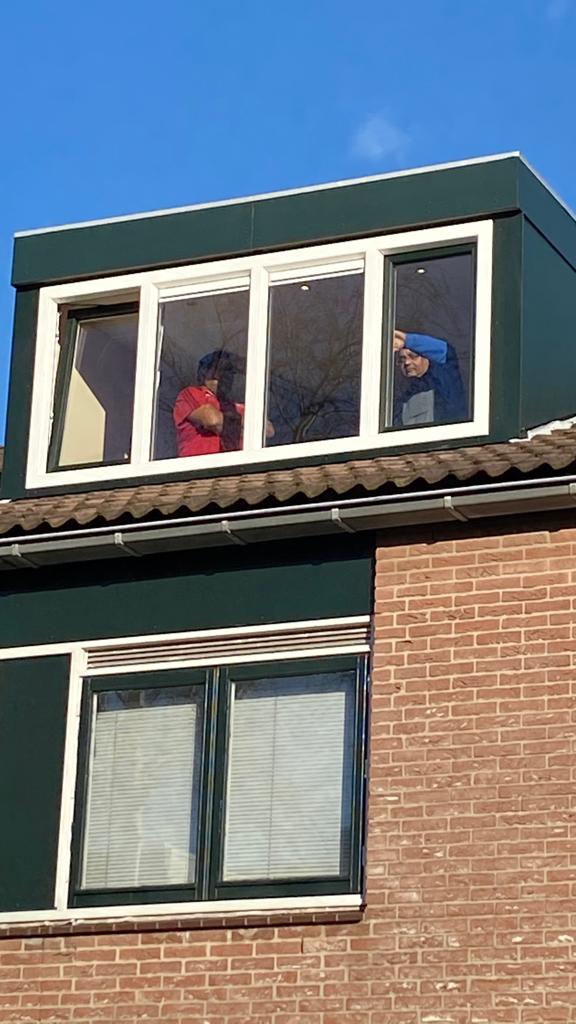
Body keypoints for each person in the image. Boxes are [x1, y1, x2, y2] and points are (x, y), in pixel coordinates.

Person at [173, 350, 244, 457]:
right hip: (200, 465)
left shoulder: (233, 405)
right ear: (205, 373)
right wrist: (243, 424)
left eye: (229, 371)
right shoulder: (191, 393)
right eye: (219, 370)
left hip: (233, 464)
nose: (225, 376)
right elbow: (212, 420)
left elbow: (266, 429)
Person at [393, 330, 468, 427]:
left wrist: (408, 340)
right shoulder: (400, 398)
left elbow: (446, 352)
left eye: (413, 356)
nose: (407, 362)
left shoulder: (443, 381)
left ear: (427, 357)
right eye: (402, 359)